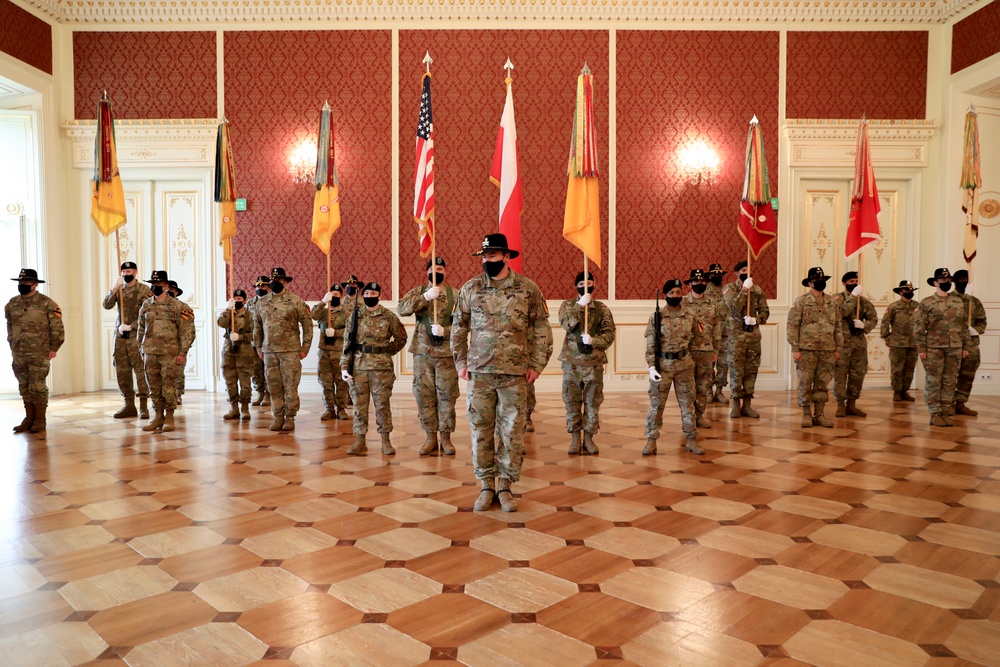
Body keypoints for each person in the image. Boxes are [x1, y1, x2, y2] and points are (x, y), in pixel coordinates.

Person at [452, 233, 552, 513]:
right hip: (479, 373)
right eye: (484, 256)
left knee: (511, 431)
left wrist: (537, 364)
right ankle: (486, 485)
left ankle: (505, 486)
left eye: (493, 256)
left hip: (514, 373)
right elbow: (458, 327)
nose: (487, 261)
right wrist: (460, 362)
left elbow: (541, 328)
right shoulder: (470, 288)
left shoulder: (527, 288)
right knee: (480, 430)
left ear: (507, 257)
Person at [398, 257, 459, 456]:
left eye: (440, 268)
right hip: (423, 353)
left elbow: (467, 322)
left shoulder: (455, 295)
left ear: (445, 271)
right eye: (433, 268)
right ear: (427, 273)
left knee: (447, 396)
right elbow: (402, 310)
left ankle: (447, 438)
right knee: (424, 396)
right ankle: (430, 437)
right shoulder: (418, 292)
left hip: (446, 355)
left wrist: (447, 331)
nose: (437, 271)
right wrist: (425, 297)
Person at [339, 282, 407, 455]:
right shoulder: (355, 316)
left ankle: (386, 440)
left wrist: (384, 353)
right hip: (358, 367)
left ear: (379, 295)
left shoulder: (388, 316)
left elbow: (401, 338)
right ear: (363, 295)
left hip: (381, 370)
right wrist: (344, 367)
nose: (370, 296)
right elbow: (347, 343)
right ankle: (360, 440)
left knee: (382, 405)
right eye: (367, 293)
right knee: (359, 406)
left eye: (373, 293)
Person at [558, 270, 615, 455]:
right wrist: (578, 307)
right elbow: (567, 324)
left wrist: (594, 341)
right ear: (576, 286)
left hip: (594, 364)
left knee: (592, 402)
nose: (585, 286)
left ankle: (589, 438)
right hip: (572, 363)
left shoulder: (602, 309)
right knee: (572, 401)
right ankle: (575, 438)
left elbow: (609, 335)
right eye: (581, 284)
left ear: (594, 284)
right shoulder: (567, 305)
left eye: (589, 283)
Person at [644, 278, 702, 456]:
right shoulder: (657, 317)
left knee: (688, 405)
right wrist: (651, 367)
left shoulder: (690, 315)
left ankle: (691, 439)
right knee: (656, 405)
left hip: (684, 366)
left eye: (678, 292)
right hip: (663, 367)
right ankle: (651, 441)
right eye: (671, 293)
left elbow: (697, 340)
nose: (675, 296)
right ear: (665, 295)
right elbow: (651, 345)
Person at [252, 267, 313, 432]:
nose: (275, 283)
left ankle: (290, 417)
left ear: (285, 282)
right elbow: (257, 327)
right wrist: (259, 348)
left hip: (290, 352)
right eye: (272, 281)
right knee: (273, 386)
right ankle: (278, 416)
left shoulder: (296, 301)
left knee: (290, 385)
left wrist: (305, 347)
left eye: (278, 281)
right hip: (269, 352)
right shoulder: (262, 302)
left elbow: (308, 326)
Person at [6, 269, 64, 434]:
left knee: (37, 386)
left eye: (26, 283)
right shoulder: (12, 304)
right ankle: (28, 418)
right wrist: (12, 343)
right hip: (19, 352)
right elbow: (10, 326)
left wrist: (54, 348)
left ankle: (40, 419)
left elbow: (58, 328)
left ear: (35, 284)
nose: (22, 285)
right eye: (21, 282)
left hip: (40, 352)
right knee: (24, 385)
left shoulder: (48, 304)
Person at [136, 271, 195, 432]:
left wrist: (182, 352)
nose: (155, 287)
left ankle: (169, 417)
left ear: (166, 286)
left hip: (170, 353)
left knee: (168, 386)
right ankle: (158, 416)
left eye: (159, 285)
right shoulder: (146, 304)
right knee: (153, 387)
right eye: (153, 285)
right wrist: (141, 347)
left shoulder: (178, 307)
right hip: (150, 352)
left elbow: (187, 332)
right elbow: (141, 328)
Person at [914, 268, 972, 427]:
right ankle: (935, 413)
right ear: (935, 283)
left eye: (948, 281)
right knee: (934, 380)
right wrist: (921, 348)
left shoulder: (958, 301)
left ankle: (945, 410)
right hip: (934, 348)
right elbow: (919, 328)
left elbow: (963, 325)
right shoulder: (926, 303)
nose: (946, 283)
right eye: (942, 281)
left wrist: (966, 345)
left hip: (954, 347)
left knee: (949, 380)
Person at [787, 267, 843, 429]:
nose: (821, 283)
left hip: (827, 349)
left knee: (822, 382)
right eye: (817, 280)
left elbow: (838, 326)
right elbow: (792, 326)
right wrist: (795, 348)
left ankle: (819, 414)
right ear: (810, 283)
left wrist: (838, 347)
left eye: (823, 280)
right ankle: (806, 414)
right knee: (806, 382)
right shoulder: (801, 301)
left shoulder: (832, 302)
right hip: (806, 349)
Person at [103, 261, 152, 419]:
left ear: (136, 272)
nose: (126, 274)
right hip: (120, 336)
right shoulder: (119, 289)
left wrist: (133, 325)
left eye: (129, 271)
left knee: (140, 371)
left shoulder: (144, 290)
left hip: (136, 336)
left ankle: (144, 406)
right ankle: (129, 405)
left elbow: (150, 313)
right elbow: (106, 305)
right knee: (122, 371)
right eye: (123, 272)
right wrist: (113, 288)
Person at [723, 260, 769, 419]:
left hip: (753, 339)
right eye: (743, 270)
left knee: (751, 372)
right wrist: (744, 290)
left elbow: (765, 312)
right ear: (736, 273)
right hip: (736, 339)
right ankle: (735, 405)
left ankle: (747, 405)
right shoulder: (730, 289)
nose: (746, 272)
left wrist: (756, 320)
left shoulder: (758, 290)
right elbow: (734, 309)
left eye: (748, 270)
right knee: (736, 372)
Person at [683, 268, 724, 429]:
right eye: (696, 281)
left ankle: (699, 416)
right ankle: (688, 418)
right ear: (690, 283)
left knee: (703, 387)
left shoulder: (712, 303)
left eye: (702, 282)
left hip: (707, 351)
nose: (699, 284)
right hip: (688, 352)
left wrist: (716, 350)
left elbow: (717, 328)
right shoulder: (683, 303)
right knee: (687, 387)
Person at [835, 271, 878, 417]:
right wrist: (853, 296)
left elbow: (873, 318)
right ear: (844, 283)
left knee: (857, 375)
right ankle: (840, 405)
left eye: (856, 281)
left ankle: (851, 404)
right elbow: (841, 313)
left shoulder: (864, 302)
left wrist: (864, 325)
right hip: (841, 345)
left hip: (859, 344)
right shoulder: (836, 299)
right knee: (840, 375)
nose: (854, 283)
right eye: (851, 281)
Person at [311, 283, 350, 421]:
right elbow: (312, 315)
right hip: (324, 353)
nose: (334, 297)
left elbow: (351, 332)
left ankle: (341, 409)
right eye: (332, 294)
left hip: (340, 353)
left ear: (341, 296)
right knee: (325, 383)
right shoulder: (323, 312)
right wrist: (323, 301)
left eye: (336, 295)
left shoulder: (346, 313)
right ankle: (329, 409)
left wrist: (336, 333)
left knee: (341, 383)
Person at [953, 269, 987, 416]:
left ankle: (960, 403)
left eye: (966, 278)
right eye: (960, 279)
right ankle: (948, 404)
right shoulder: (949, 299)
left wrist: (976, 330)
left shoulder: (975, 301)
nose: (963, 281)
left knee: (967, 375)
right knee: (950, 375)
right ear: (954, 281)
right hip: (953, 343)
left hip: (971, 343)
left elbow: (982, 321)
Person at [218, 289, 255, 421]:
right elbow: (221, 323)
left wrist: (240, 337)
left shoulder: (250, 316)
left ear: (244, 301)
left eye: (240, 299)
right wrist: (229, 309)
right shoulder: (229, 314)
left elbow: (254, 335)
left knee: (245, 383)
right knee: (230, 382)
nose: (238, 301)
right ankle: (234, 408)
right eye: (235, 299)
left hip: (245, 353)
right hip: (229, 352)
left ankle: (245, 409)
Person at [881, 280, 919, 402]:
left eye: (911, 290)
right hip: (897, 343)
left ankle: (905, 391)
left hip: (913, 343)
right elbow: (885, 323)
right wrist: (887, 338)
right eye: (907, 290)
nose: (909, 292)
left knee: (909, 368)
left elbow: (922, 323)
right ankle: (897, 392)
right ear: (901, 292)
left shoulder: (918, 307)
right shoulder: (893, 307)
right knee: (897, 369)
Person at [704, 262, 730, 403]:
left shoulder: (728, 290)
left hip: (725, 333)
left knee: (723, 364)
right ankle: (708, 391)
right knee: (708, 364)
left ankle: (719, 391)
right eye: (714, 274)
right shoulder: (704, 290)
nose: (717, 276)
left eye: (719, 274)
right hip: (709, 334)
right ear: (710, 275)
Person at [167, 280, 194, 406]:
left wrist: (184, 349)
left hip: (177, 346)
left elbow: (189, 331)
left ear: (176, 292)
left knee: (178, 372)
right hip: (160, 347)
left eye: (172, 291)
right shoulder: (155, 306)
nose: (169, 292)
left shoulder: (183, 308)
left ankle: (178, 394)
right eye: (167, 290)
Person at [246, 276, 271, 407]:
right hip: (252, 342)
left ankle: (268, 393)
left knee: (268, 368)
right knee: (256, 369)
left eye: (263, 286)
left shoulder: (271, 302)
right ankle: (260, 392)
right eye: (258, 286)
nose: (260, 289)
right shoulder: (250, 303)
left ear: (268, 287)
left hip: (267, 341)